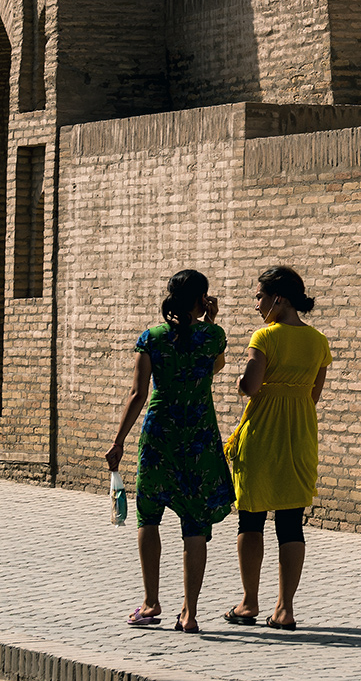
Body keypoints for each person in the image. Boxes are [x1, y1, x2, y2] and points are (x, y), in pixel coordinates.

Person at [105, 269, 235, 633]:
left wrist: (118, 441)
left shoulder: (152, 339)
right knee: (195, 522)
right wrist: (210, 321)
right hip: (198, 436)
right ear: (200, 300)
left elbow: (137, 394)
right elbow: (215, 367)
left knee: (149, 517)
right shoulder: (213, 336)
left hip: (159, 435)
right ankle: (189, 612)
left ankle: (150, 601)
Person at [222, 265, 332, 631]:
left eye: (260, 297)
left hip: (262, 434)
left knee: (250, 519)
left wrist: (242, 381)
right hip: (300, 434)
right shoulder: (318, 341)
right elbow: (313, 395)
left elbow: (251, 387)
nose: (257, 305)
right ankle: (285, 609)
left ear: (278, 299)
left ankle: (249, 602)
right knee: (290, 524)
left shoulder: (264, 336)